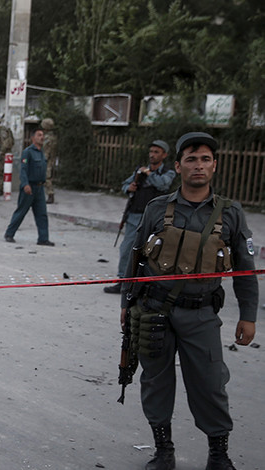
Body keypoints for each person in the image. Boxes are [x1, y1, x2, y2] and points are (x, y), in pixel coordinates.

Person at [121, 132, 257, 470]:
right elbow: (135, 259)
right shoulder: (156, 208)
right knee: (155, 382)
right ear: (178, 166)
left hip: (202, 314)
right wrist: (126, 304)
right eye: (192, 159)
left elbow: (245, 268)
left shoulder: (231, 213)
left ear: (214, 166)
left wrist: (248, 315)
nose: (198, 165)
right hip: (154, 311)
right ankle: (163, 451)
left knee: (211, 384)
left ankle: (218, 454)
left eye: (205, 159)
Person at [104, 140, 175, 294]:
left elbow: (163, 185)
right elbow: (125, 185)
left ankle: (147, 283)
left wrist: (149, 174)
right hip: (135, 215)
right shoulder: (139, 171)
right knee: (127, 248)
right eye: (151, 151)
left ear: (164, 155)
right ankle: (123, 281)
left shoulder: (167, 172)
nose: (152, 155)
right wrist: (129, 188)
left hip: (156, 217)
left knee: (153, 250)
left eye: (156, 152)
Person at [4, 128, 54, 246]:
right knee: (21, 211)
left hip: (39, 188)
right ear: (33, 138)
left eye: (43, 135)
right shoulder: (28, 152)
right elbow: (23, 170)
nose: (42, 137)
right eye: (39, 135)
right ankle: (9, 233)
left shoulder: (41, 152)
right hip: (29, 187)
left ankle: (43, 238)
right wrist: (25, 184)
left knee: (42, 214)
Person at [0, 120, 15, 195]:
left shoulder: (2, 131)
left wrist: (1, 152)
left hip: (4, 153)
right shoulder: (0, 130)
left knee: (1, 171)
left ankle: (1, 188)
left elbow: (5, 143)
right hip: (1, 152)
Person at [41, 118, 58, 203]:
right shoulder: (52, 136)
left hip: (47, 159)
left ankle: (51, 194)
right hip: (49, 158)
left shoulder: (48, 138)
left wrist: (43, 159)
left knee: (47, 177)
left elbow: (47, 150)